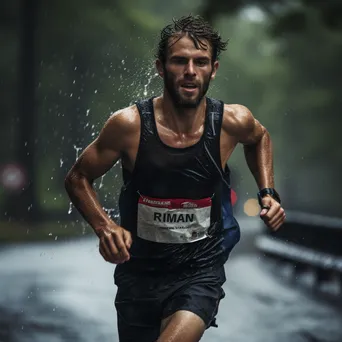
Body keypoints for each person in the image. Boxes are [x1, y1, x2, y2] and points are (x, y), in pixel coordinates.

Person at [65, 14, 286, 342]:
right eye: (179, 61)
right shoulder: (128, 126)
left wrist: (267, 191)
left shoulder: (230, 122)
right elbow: (78, 176)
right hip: (138, 274)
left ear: (214, 69)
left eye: (201, 62)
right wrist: (105, 227)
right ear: (160, 67)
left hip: (199, 272)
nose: (190, 72)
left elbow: (260, 137)